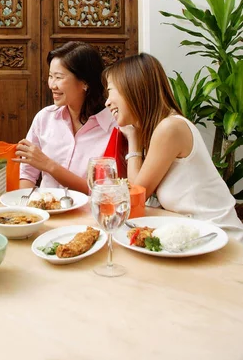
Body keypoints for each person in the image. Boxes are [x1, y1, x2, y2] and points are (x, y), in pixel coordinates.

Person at [104, 53, 243, 241]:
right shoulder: (161, 127)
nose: (107, 101)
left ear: (132, 88)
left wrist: (133, 139)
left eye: (111, 90)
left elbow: (137, 194)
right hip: (194, 237)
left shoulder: (170, 128)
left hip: (219, 240)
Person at [17, 41, 117, 194]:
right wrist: (29, 209)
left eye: (59, 77)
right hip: (46, 212)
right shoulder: (44, 118)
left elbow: (103, 191)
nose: (52, 85)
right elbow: (27, 174)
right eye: (51, 76)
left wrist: (49, 165)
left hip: (90, 215)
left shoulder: (113, 126)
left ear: (85, 82)